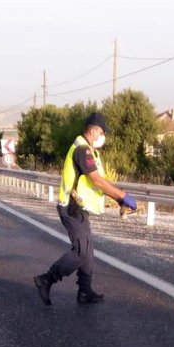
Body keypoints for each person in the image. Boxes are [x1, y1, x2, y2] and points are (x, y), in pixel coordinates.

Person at [33, 113, 138, 305]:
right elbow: (96, 180)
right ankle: (47, 279)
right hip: (72, 207)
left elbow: (99, 182)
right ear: (93, 130)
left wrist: (118, 197)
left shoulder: (89, 151)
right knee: (81, 252)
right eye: (102, 132)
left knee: (87, 251)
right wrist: (122, 196)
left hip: (80, 207)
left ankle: (85, 291)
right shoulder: (82, 150)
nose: (103, 137)